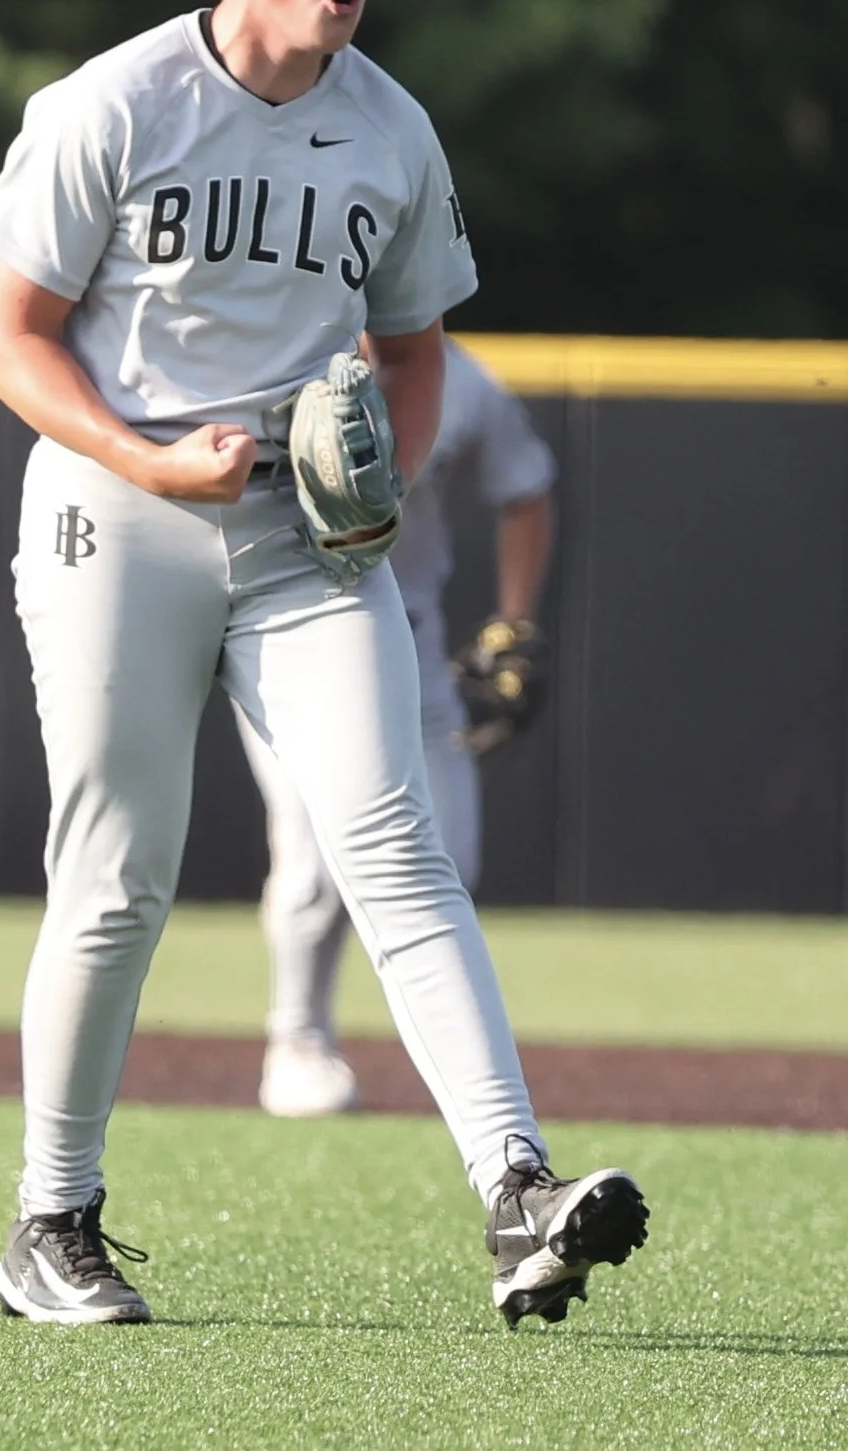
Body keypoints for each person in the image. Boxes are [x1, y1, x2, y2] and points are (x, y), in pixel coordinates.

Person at [0, 0, 648, 1330]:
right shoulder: (115, 103)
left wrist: (385, 482)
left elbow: (414, 348)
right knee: (118, 874)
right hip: (116, 505)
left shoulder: (393, 128)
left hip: (301, 536)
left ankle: (516, 1188)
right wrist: (147, 461)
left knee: (394, 838)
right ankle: (51, 1219)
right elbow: (7, 334)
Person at [251, 339, 556, 1117]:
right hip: (280, 630)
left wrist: (514, 620)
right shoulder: (263, 348)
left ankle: (457, 1072)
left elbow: (527, 489)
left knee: (449, 855)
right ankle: (296, 1038)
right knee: (314, 855)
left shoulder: (460, 379)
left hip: (407, 637)